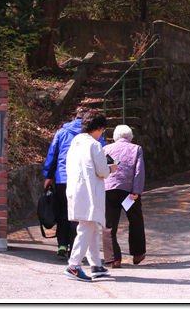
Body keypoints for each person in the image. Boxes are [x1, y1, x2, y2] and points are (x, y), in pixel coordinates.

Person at [42, 111, 105, 260]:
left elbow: (53, 155)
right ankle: (78, 252)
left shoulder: (62, 132)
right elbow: (102, 155)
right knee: (81, 215)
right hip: (83, 179)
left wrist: (48, 176)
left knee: (64, 212)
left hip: (62, 178)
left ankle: (62, 245)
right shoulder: (94, 133)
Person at [65, 111, 116, 282]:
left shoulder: (75, 143)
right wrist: (111, 169)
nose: (102, 133)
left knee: (92, 227)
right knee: (86, 228)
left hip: (75, 189)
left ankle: (95, 264)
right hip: (89, 192)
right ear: (99, 128)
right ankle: (74, 265)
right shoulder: (94, 145)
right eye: (102, 130)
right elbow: (102, 170)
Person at [103, 125, 146, 268]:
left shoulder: (106, 149)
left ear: (115, 137)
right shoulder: (136, 149)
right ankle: (138, 253)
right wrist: (137, 191)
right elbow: (139, 172)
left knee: (109, 224)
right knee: (135, 220)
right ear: (130, 137)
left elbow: (103, 170)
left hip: (109, 189)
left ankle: (114, 258)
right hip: (129, 191)